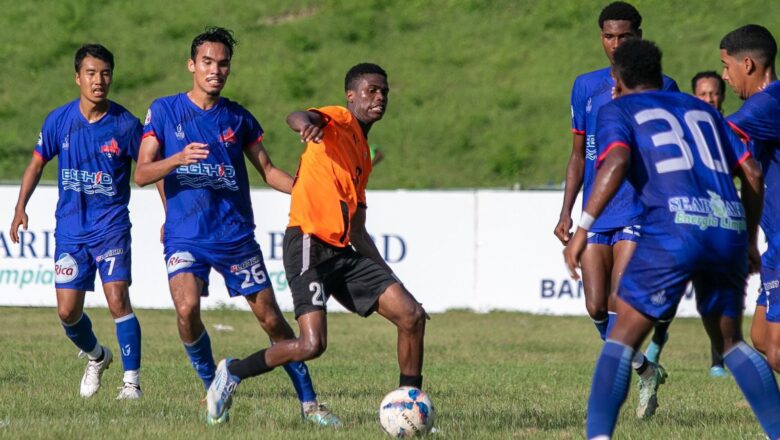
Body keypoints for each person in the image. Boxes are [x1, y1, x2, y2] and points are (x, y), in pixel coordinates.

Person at [564, 38, 780, 440]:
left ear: (617, 81)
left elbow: (617, 161)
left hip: (673, 225)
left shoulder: (618, 108)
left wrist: (583, 227)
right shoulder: (701, 109)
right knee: (731, 343)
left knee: (622, 338)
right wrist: (748, 238)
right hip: (726, 224)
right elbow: (750, 171)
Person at [133, 27, 339, 426]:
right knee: (187, 310)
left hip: (235, 236)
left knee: (273, 321)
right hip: (186, 234)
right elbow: (141, 172)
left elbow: (268, 171)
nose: (215, 70)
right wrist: (178, 160)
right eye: (207, 62)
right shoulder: (164, 110)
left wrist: (306, 191)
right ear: (192, 65)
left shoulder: (238, 116)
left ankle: (310, 403)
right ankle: (215, 388)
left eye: (222, 63)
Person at [205, 63, 428, 424]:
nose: (380, 97)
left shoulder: (363, 156)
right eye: (371, 90)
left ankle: (412, 407)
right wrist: (304, 125)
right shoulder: (337, 120)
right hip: (307, 241)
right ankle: (232, 372)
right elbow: (298, 115)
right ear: (351, 96)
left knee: (411, 315)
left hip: (341, 251)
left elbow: (357, 232)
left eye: (384, 91)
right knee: (312, 345)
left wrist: (395, 282)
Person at [553, 1, 678, 418]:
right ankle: (646, 369)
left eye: (625, 36)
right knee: (594, 306)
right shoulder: (584, 87)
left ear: (639, 36)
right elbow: (577, 155)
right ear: (601, 38)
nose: (616, 43)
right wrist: (566, 211)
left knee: (623, 304)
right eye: (609, 36)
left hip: (640, 211)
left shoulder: (665, 87)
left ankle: (619, 394)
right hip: (596, 211)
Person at [9, 44, 144, 400]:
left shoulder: (127, 125)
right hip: (70, 231)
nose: (99, 81)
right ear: (77, 77)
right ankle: (98, 357)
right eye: (91, 73)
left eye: (105, 73)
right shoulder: (59, 120)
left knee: (118, 299)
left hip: (111, 226)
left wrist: (170, 213)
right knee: (67, 312)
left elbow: (150, 171)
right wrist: (20, 206)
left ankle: (132, 383)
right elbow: (36, 164)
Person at [720, 24, 780, 374]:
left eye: (726, 66)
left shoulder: (766, 104)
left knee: (775, 351)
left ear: (747, 64)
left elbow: (719, 136)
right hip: (773, 242)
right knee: (760, 337)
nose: (725, 76)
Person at [691, 70, 729, 378]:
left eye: (714, 93)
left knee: (715, 294)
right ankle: (654, 351)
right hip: (688, 221)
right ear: (694, 98)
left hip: (724, 223)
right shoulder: (683, 136)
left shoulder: (733, 131)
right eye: (703, 94)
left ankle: (718, 359)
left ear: (722, 97)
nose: (709, 99)